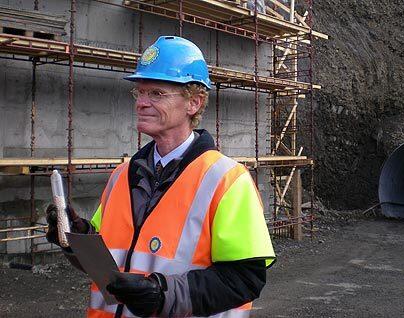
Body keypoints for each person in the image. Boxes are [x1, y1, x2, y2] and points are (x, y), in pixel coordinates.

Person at [46, 36, 275, 318]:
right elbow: (108, 258)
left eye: (156, 93)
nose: (141, 103)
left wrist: (161, 294)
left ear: (194, 102)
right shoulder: (123, 175)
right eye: (139, 93)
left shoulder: (227, 180)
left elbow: (244, 279)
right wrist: (76, 235)